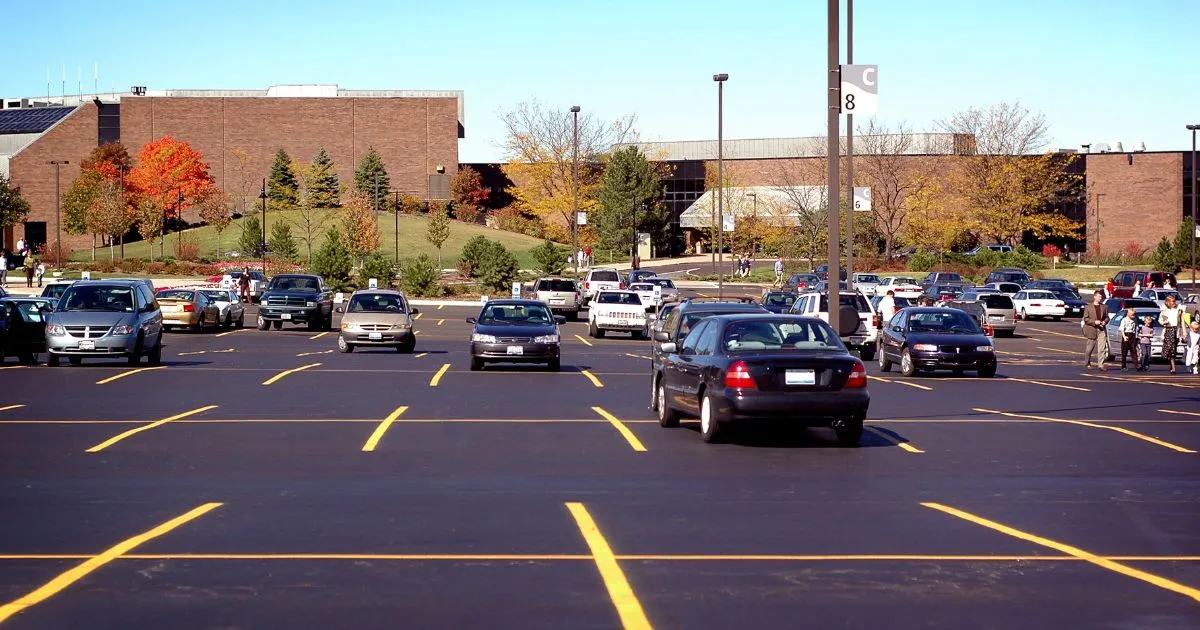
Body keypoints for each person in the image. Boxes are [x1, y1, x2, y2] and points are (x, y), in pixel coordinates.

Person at [1082, 290, 1109, 371]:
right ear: (1095, 297)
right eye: (1099, 296)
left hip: (1101, 329)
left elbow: (1107, 317)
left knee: (1102, 348)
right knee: (1089, 348)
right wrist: (1094, 322)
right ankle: (1087, 362)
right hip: (1092, 329)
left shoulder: (1104, 307)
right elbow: (1086, 319)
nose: (1100, 298)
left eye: (1101, 297)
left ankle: (1101, 365)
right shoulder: (1088, 307)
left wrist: (1104, 322)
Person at [1159, 294, 1185, 374]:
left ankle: (1171, 364)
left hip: (1175, 330)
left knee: (1174, 349)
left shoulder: (1179, 309)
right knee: (1170, 348)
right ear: (1168, 302)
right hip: (1168, 329)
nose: (1174, 303)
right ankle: (1173, 367)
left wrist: (1184, 331)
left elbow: (1182, 321)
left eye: (1174, 301)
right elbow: (1162, 319)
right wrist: (1164, 322)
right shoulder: (1165, 310)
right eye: (1172, 301)